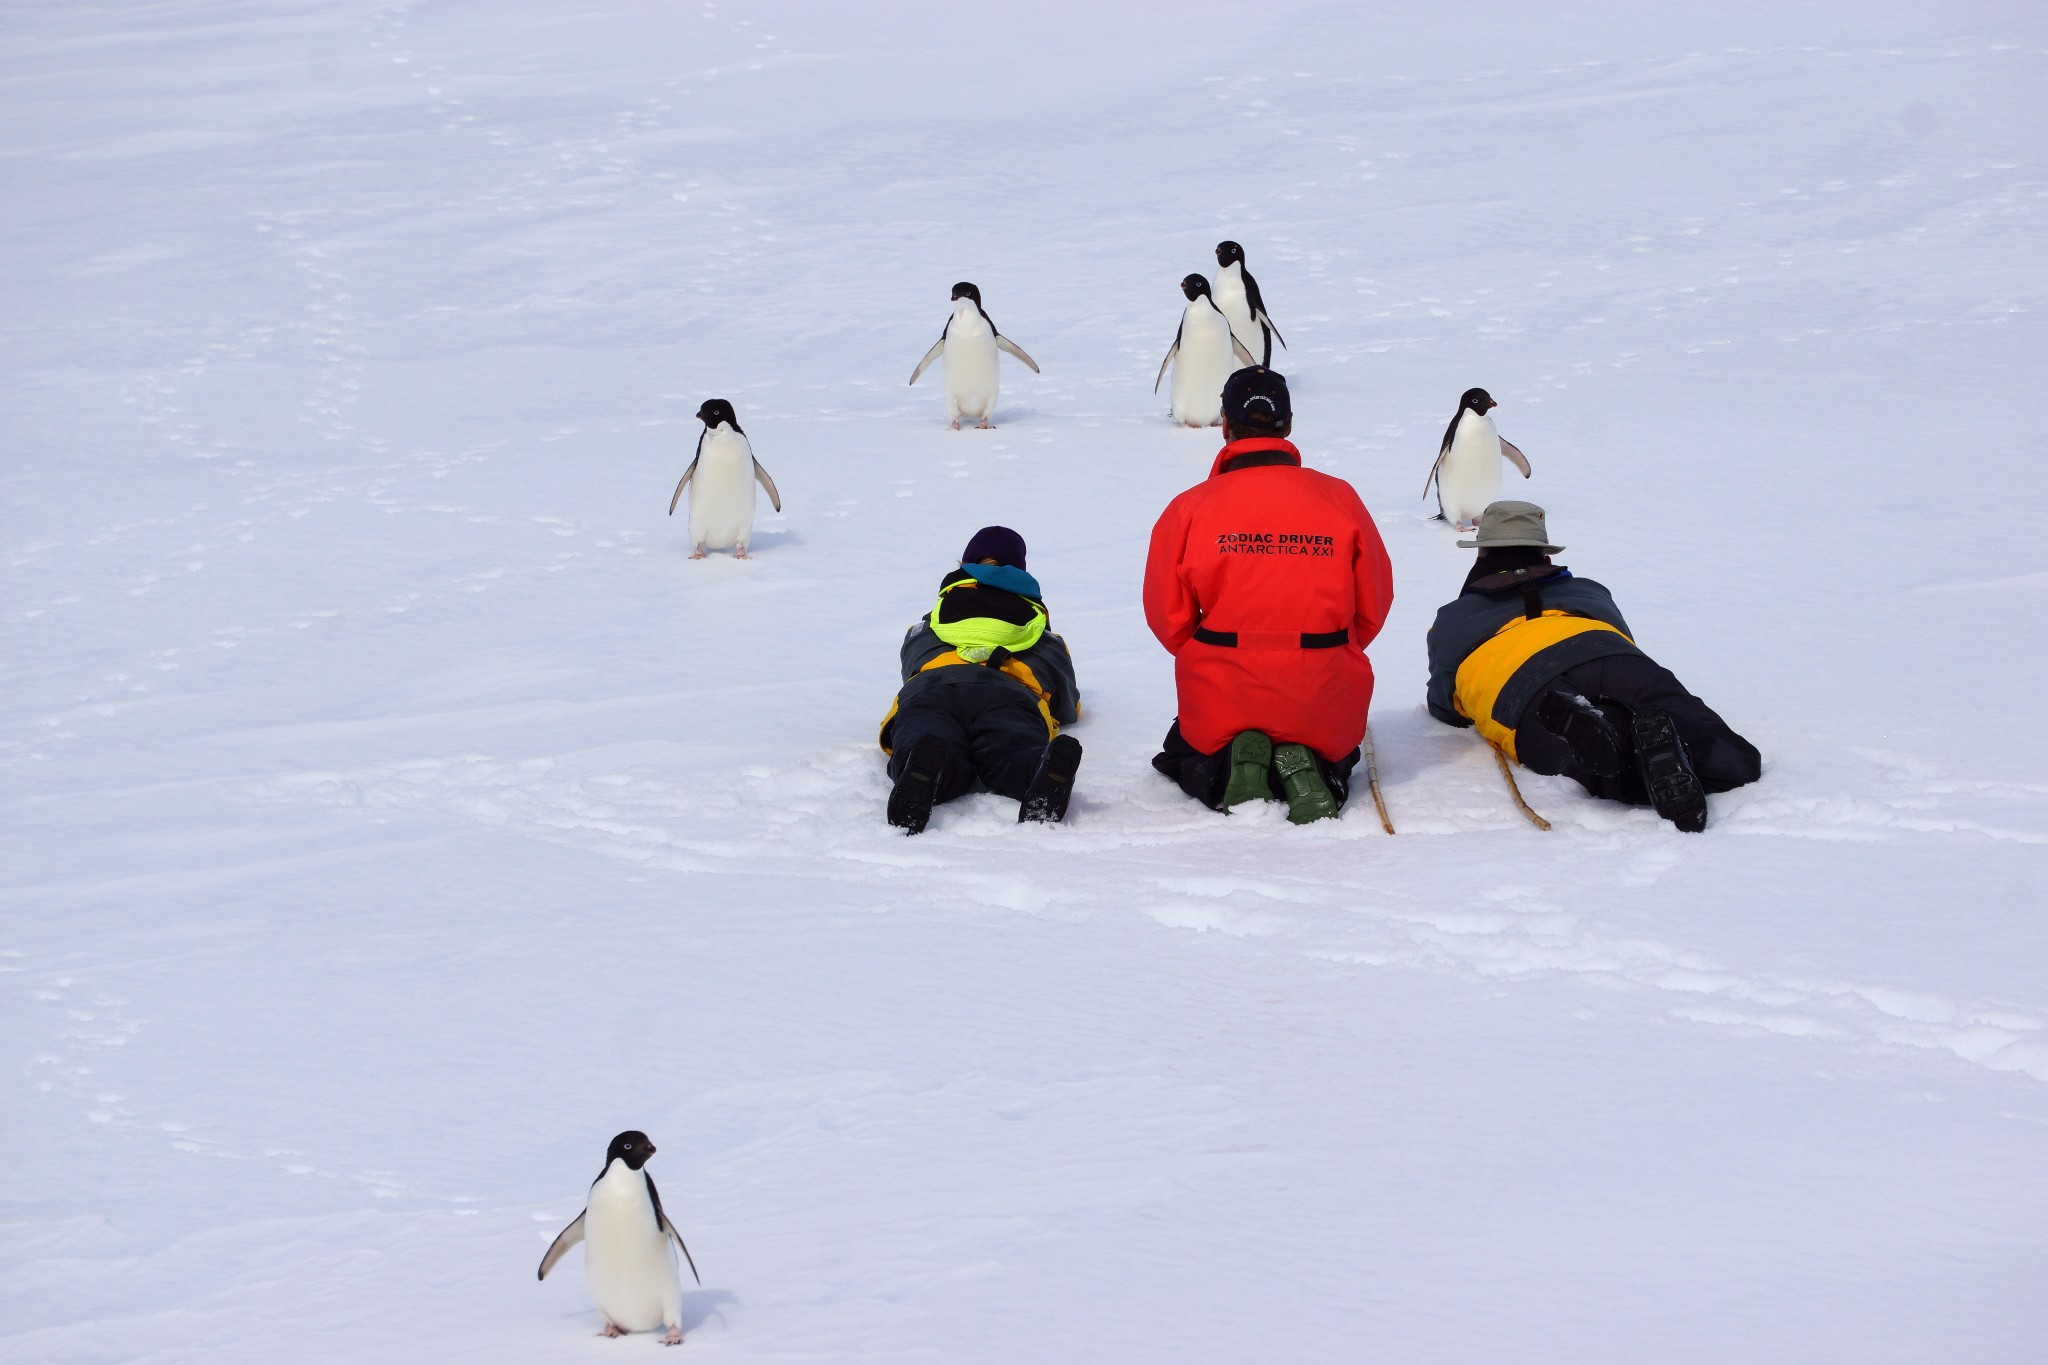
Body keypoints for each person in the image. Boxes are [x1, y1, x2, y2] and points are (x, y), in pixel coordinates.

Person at [1142, 367, 1395, 823]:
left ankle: (1229, 769)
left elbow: (1167, 617)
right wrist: (1328, 649)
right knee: (1333, 746)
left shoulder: (1189, 507)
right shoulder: (1341, 499)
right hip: (1323, 687)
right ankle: (1314, 768)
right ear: (1289, 425)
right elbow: (1374, 604)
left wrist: (1214, 655)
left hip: (1222, 688)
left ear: (1225, 424)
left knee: (1189, 750)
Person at [1425, 500, 1762, 831]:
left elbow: (1445, 705)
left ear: (1481, 554)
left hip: (1522, 686)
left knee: (1589, 764)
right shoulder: (1590, 591)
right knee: (1732, 756)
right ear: (1545, 555)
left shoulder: (1453, 618)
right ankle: (1683, 748)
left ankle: (1617, 756)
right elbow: (1625, 636)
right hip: (1608, 654)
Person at [878, 526, 1082, 834]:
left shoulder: (931, 622)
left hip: (931, 690)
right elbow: (1066, 705)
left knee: (926, 733)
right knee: (1010, 749)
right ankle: (1036, 769)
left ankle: (922, 763)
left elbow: (911, 662)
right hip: (1007, 695)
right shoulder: (1039, 631)